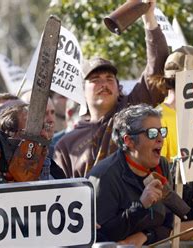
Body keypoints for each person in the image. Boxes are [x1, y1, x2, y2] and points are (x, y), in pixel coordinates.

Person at [54, 0, 169, 178]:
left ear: (118, 87)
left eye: (109, 79)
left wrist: (149, 17)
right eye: (95, 79)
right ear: (82, 90)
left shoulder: (131, 114)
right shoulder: (66, 144)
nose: (104, 84)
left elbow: (157, 71)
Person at [87, 104, 173, 246]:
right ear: (129, 141)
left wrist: (146, 236)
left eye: (161, 132)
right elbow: (100, 236)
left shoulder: (161, 166)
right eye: (152, 133)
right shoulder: (105, 176)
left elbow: (170, 222)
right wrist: (140, 207)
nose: (160, 139)